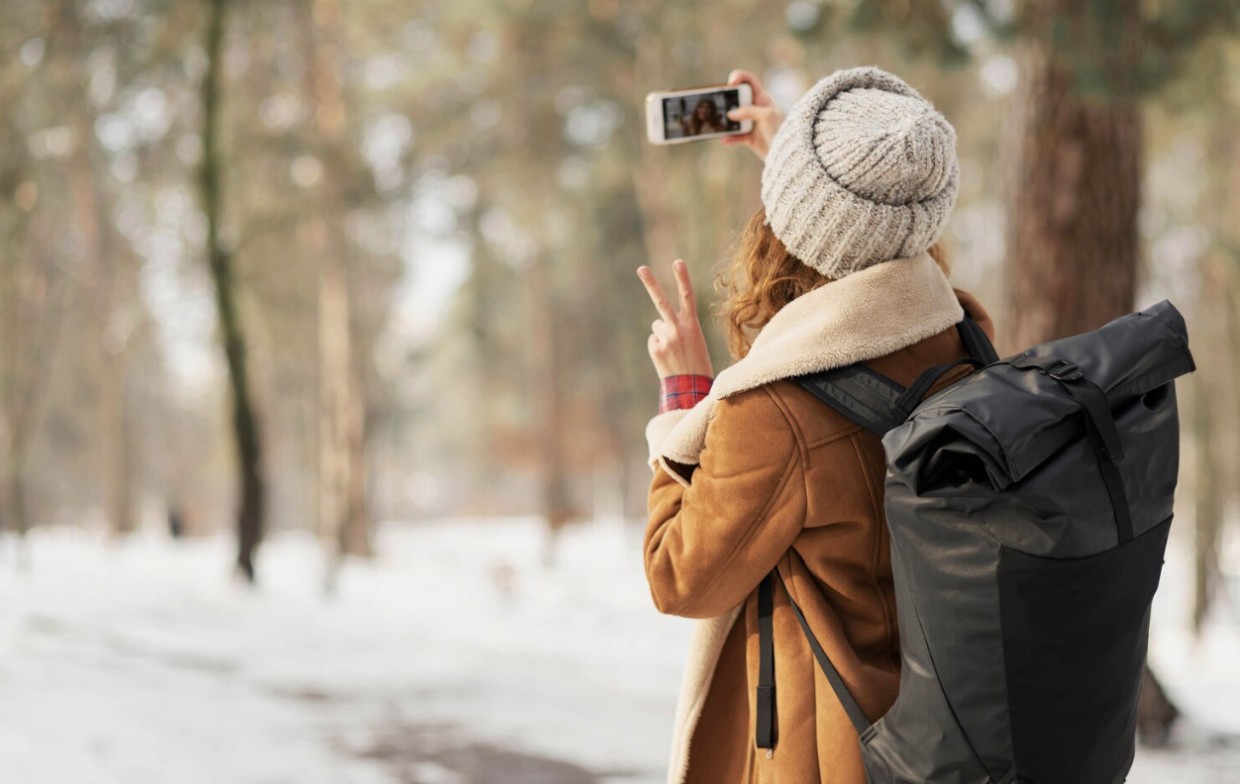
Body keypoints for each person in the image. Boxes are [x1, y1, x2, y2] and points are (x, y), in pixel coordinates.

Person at [635, 67, 995, 784]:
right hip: (942, 740)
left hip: (827, 754)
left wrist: (684, 401)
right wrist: (788, 152)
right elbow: (876, 250)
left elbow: (678, 576)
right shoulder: (967, 339)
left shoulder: (773, 411)